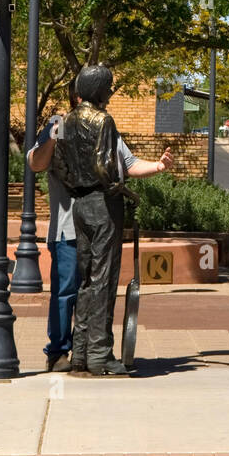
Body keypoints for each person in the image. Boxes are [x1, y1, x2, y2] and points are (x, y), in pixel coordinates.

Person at [28, 83, 174, 372]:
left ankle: (84, 351)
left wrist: (158, 166)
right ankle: (58, 351)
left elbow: (127, 164)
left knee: (97, 288)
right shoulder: (60, 124)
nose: (105, 98)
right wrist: (53, 136)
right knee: (67, 291)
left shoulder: (105, 128)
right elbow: (35, 162)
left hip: (99, 221)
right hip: (68, 228)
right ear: (79, 97)